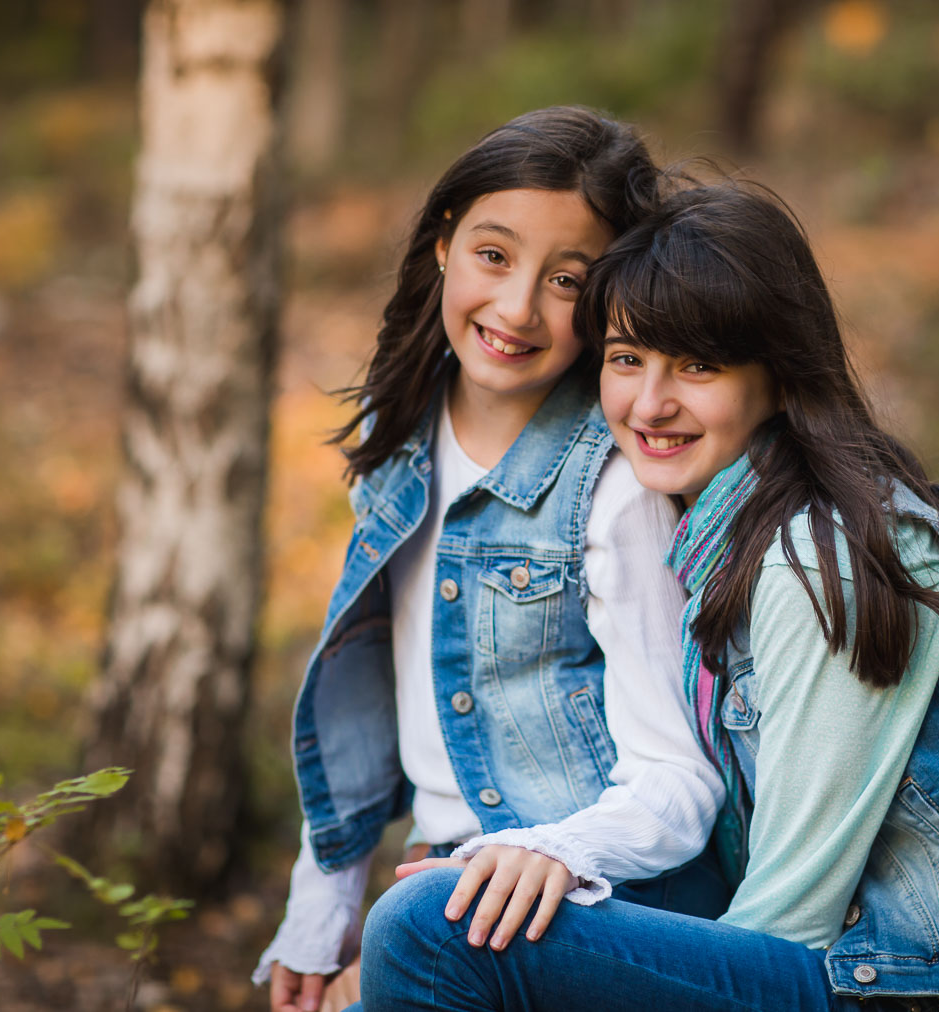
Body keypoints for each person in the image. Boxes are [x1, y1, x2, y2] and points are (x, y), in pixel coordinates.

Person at [351, 182, 939, 1011]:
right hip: (833, 961)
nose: (650, 404)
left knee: (431, 927)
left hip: (901, 986)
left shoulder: (830, 558)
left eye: (699, 366)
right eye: (626, 359)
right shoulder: (725, 527)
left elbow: (792, 914)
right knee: (479, 904)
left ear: (779, 375)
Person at [254, 109, 728, 1012]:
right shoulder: (394, 437)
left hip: (592, 893)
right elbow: (361, 703)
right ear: (443, 244)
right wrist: (322, 915)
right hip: (449, 888)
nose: (517, 310)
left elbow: (680, 778)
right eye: (494, 256)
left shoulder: (614, 486)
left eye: (566, 281)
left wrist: (530, 860)